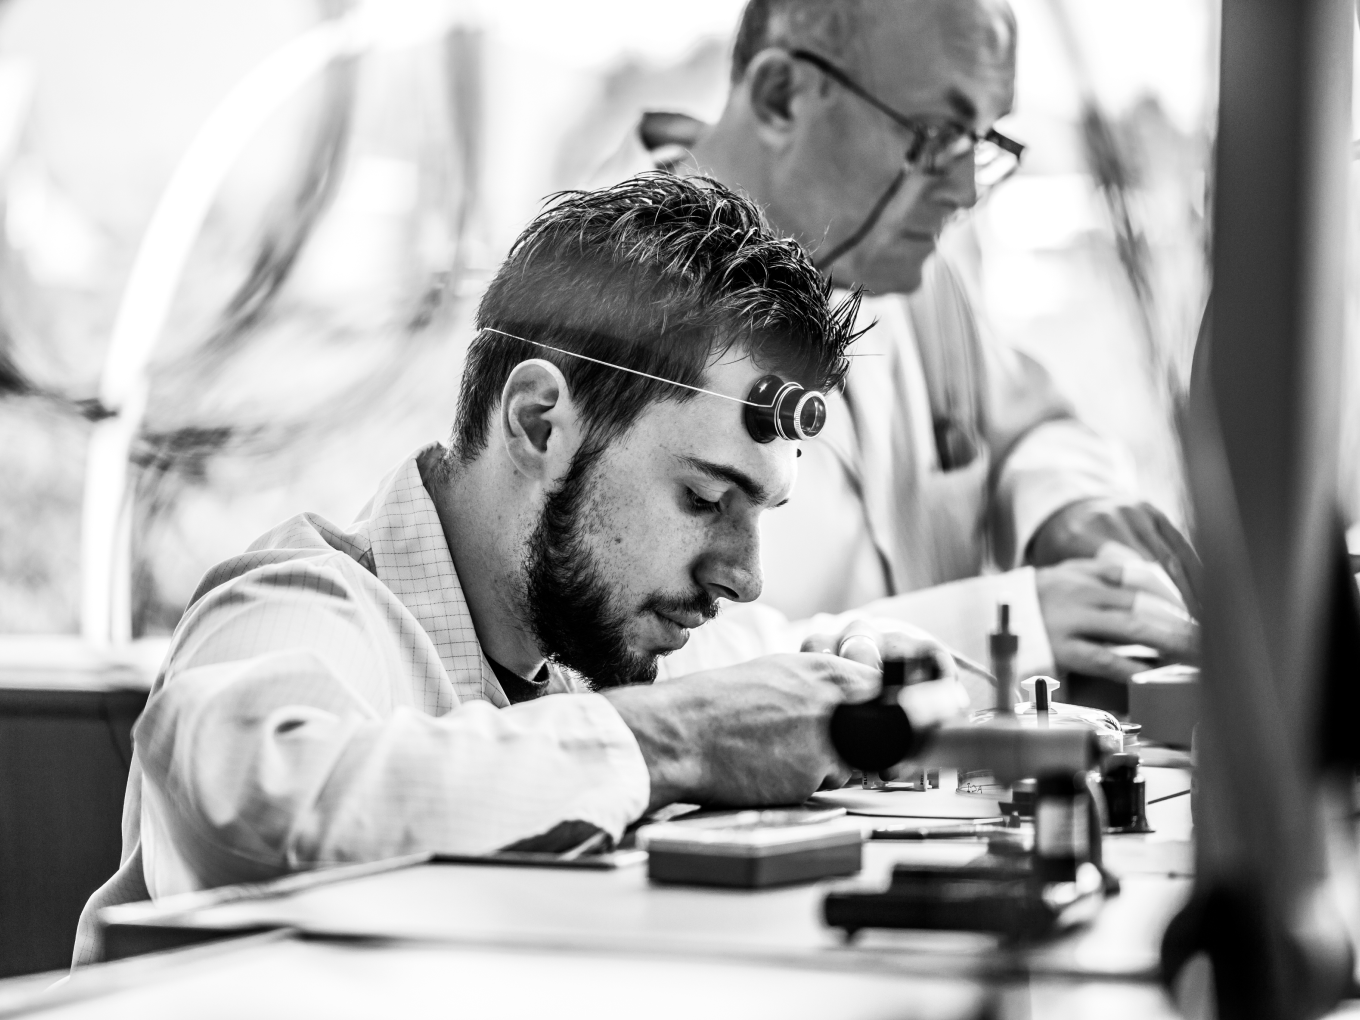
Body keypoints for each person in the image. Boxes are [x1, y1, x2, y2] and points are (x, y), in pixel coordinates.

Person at [72, 174, 961, 965]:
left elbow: (799, 657)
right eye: (702, 498)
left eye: (761, 514)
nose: (744, 576)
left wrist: (871, 665)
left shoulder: (594, 632)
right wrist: (678, 740)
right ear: (540, 422)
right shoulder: (298, 606)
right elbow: (250, 802)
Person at [591, 0, 1198, 689]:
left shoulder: (904, 266)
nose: (966, 191)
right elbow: (638, 666)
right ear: (782, 96)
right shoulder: (591, 314)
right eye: (938, 135)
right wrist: (1008, 625)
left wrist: (1064, 509)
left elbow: (1028, 426)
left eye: (982, 139)